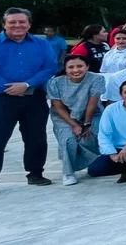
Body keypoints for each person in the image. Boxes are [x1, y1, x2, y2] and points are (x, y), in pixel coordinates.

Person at [0, 8, 59, 198]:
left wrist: (27, 84)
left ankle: (35, 173)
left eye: (22, 22)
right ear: (4, 24)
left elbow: (49, 67)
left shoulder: (42, 44)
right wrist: (10, 87)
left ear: (29, 24)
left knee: (36, 137)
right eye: (12, 22)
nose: (17, 25)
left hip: (33, 96)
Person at [46, 55, 105, 185]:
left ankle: (96, 162)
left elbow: (92, 104)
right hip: (64, 117)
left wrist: (86, 124)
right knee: (68, 139)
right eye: (71, 67)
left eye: (80, 66)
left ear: (87, 67)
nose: (76, 70)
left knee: (91, 135)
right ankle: (68, 172)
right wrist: (74, 125)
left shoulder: (97, 79)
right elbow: (58, 107)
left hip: (91, 114)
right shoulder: (55, 82)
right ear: (65, 69)